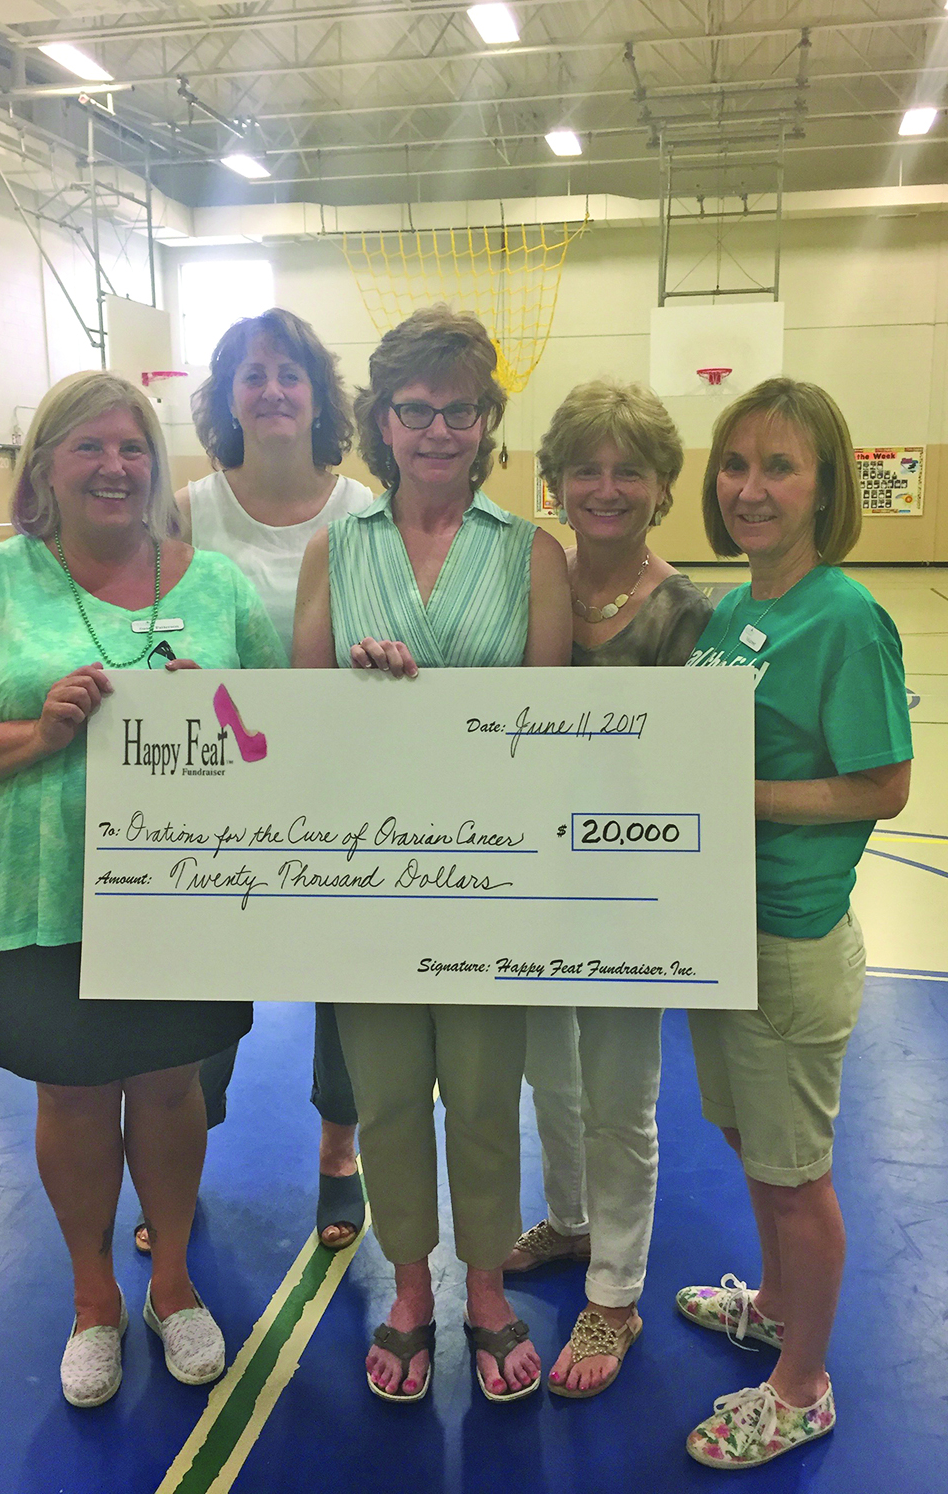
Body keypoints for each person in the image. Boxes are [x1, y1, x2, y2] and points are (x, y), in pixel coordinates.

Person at [0, 371, 285, 1409]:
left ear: (156, 467)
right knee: (69, 1093)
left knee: (168, 1085)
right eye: (88, 448)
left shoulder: (220, 589)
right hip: (35, 896)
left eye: (132, 448)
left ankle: (171, 1281)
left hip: (177, 901)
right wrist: (35, 731)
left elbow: (280, 734)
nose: (114, 466)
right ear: (46, 469)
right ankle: (90, 1297)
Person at [292, 304, 571, 1402]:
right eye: (416, 409)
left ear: (488, 420)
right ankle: (410, 1285)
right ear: (381, 420)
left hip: (489, 880)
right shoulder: (336, 546)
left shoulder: (530, 552)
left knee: (485, 1089)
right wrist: (356, 692)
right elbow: (300, 719)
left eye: (461, 409)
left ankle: (487, 1285)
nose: (439, 429)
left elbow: (545, 730)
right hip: (369, 879)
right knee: (391, 1090)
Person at [677, 377, 912, 1468]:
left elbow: (881, 783)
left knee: (790, 1168)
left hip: (790, 933)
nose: (750, 488)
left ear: (824, 484)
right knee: (743, 1138)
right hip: (715, 925)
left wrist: (742, 795)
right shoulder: (733, 609)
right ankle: (772, 1303)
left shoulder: (844, 615)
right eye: (735, 464)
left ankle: (801, 1382)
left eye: (778, 466)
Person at [503, 379, 712, 1397]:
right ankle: (572, 1218)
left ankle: (617, 1285)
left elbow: (693, 779)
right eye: (584, 466)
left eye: (628, 467)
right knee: (549, 1068)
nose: (604, 486)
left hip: (633, 897)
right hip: (527, 882)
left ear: (662, 486)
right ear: (554, 482)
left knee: (622, 1092)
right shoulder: (524, 589)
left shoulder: (684, 614)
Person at [174, 307, 372, 1253]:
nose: (272, 390)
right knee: (208, 987)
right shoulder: (186, 509)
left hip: (338, 788)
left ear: (317, 395)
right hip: (218, 793)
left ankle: (340, 1155)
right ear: (227, 398)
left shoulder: (362, 510)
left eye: (290, 373)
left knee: (346, 984)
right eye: (251, 375)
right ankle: (184, 1154)